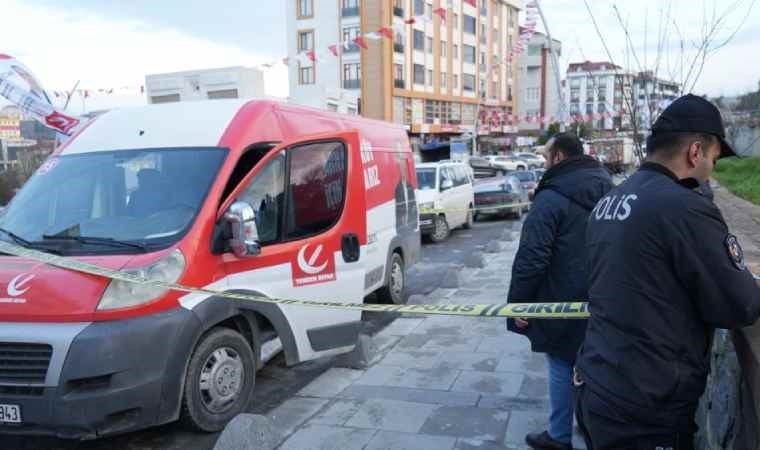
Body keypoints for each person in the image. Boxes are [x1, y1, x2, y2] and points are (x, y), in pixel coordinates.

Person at [574, 94, 760, 450]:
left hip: (597, 384)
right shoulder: (682, 208)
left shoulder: (610, 202)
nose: (713, 171)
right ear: (695, 152)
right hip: (644, 409)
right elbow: (740, 304)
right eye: (714, 159)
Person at [507, 133, 613, 450]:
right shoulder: (609, 188)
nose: (543, 162)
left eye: (546, 156)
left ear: (559, 158)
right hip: (605, 294)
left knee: (561, 362)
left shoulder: (551, 196)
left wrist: (518, 306)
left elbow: (531, 257)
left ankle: (558, 435)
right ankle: (592, 428)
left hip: (561, 299)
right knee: (595, 363)